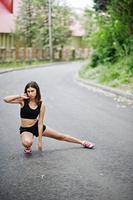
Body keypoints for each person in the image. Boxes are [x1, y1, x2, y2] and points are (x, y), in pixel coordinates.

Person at [3, 81, 94, 154]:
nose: (30, 93)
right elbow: (6, 99)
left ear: (37, 91)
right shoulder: (23, 101)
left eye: (32, 91)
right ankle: (28, 146)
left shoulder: (41, 104)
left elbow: (40, 123)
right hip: (25, 129)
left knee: (60, 136)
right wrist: (19, 95)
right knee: (27, 142)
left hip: (36, 125)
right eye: (28, 91)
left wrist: (40, 141)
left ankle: (82, 142)